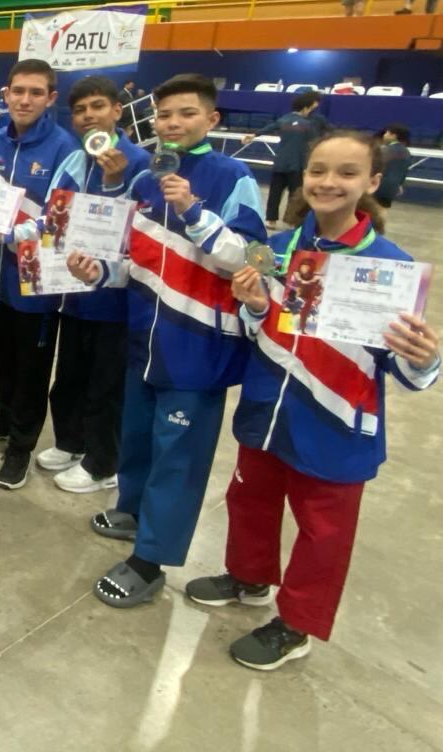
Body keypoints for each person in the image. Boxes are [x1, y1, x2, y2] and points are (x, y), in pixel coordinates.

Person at [187, 131, 438, 671]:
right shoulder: (273, 250)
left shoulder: (392, 267)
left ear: (372, 182)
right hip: (267, 404)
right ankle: (249, 576)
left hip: (336, 422)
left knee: (324, 532)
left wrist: (422, 359)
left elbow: (403, 371)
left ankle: (297, 624)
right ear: (303, 177)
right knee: (249, 499)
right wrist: (255, 305)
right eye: (318, 170)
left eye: (347, 173)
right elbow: (254, 324)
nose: (328, 182)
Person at [66, 73, 267, 609]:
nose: (173, 124)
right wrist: (99, 272)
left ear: (212, 119)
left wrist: (194, 213)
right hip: (144, 333)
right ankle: (133, 509)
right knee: (137, 437)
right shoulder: (145, 178)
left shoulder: (234, 176)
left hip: (198, 344)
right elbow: (137, 261)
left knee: (178, 456)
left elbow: (254, 260)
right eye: (164, 115)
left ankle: (150, 560)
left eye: (186, 113)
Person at [22, 76, 149, 493]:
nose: (88, 116)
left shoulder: (140, 163)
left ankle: (103, 464)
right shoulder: (77, 160)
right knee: (70, 376)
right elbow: (52, 216)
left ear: (117, 110)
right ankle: (71, 442)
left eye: (97, 106)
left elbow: (138, 232)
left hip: (116, 297)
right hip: (72, 291)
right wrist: (13, 236)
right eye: (80, 110)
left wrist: (115, 184)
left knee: (106, 383)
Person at [0, 59, 78, 487]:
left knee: (31, 367)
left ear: (50, 98)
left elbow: (60, 220)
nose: (25, 100)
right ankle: (3, 419)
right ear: (5, 94)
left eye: (35, 92)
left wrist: (4, 234)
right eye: (18, 91)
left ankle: (21, 446)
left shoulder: (66, 150)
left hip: (37, 282)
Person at [241, 91, 327, 229]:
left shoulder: (283, 120)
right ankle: (291, 221)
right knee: (295, 195)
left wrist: (253, 135)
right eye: (312, 108)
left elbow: (268, 128)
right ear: (306, 108)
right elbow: (316, 142)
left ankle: (270, 220)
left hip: (280, 163)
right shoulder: (307, 125)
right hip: (297, 164)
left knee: (275, 193)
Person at [375, 124, 411, 208]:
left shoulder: (385, 150)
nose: (384, 135)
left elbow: (376, 167)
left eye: (387, 133)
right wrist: (399, 184)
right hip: (392, 189)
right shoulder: (406, 152)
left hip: (378, 187)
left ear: (393, 136)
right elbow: (404, 171)